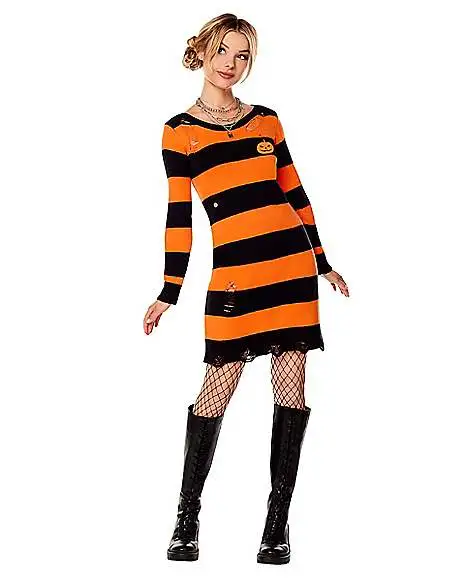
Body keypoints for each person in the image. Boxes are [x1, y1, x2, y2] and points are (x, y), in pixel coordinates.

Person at [143, 13, 349, 565]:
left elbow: (296, 193)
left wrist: (322, 262)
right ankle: (187, 518)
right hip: (235, 276)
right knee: (216, 390)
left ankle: (276, 525)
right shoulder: (179, 131)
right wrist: (169, 290)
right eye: (223, 51)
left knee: (291, 393)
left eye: (242, 56)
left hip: (291, 271)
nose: (231, 64)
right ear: (202, 50)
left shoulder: (267, 121)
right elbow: (180, 217)